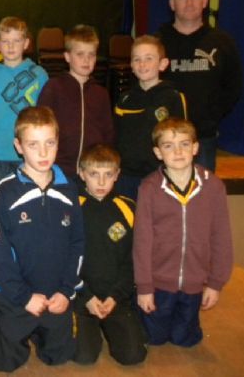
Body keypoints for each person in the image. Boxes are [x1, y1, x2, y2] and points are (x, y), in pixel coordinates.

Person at [0, 106, 84, 372]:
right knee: (3, 363)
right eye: (33, 144)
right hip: (16, 295)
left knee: (59, 357)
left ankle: (44, 328)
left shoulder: (69, 189)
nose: (43, 153)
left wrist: (66, 290)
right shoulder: (5, 191)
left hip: (55, 294)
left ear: (58, 143)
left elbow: (77, 244)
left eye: (49, 143)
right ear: (18, 146)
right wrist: (24, 297)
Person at [134, 118, 233, 347]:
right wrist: (144, 287)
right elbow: (142, 241)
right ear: (158, 152)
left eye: (184, 144)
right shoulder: (149, 188)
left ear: (195, 148)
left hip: (195, 282)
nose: (178, 152)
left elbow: (222, 237)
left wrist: (215, 283)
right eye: (168, 146)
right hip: (159, 283)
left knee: (185, 340)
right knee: (155, 339)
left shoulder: (213, 187)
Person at [157, 0, 243, 171]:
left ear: (205, 1)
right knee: (164, 189)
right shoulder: (157, 42)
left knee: (203, 190)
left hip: (204, 137)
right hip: (165, 136)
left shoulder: (222, 42)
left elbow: (233, 86)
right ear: (172, 3)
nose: (189, 3)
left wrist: (212, 117)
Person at [74, 144, 147, 366]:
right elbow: (64, 261)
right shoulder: (71, 208)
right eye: (94, 174)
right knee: (84, 357)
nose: (101, 182)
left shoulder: (128, 208)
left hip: (115, 299)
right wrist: (86, 297)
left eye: (108, 174)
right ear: (81, 173)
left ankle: (111, 326)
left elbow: (132, 260)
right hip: (82, 298)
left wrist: (116, 296)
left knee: (133, 356)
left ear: (117, 175)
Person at [0, 16, 49, 200]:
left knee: (28, 205)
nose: (11, 46)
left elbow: (45, 119)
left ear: (26, 43)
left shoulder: (39, 75)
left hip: (29, 154)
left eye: (16, 41)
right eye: (6, 41)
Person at [114, 35, 187, 200]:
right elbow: (116, 136)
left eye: (149, 58)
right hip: (126, 176)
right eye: (137, 59)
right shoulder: (125, 99)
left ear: (163, 64)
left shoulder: (173, 97)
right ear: (131, 65)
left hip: (159, 174)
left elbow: (182, 138)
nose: (142, 64)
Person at [38, 25, 114, 180]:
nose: (86, 60)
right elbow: (40, 126)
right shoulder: (54, 87)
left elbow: (108, 133)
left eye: (91, 55)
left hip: (92, 171)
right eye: (80, 54)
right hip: (58, 168)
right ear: (67, 56)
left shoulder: (101, 93)